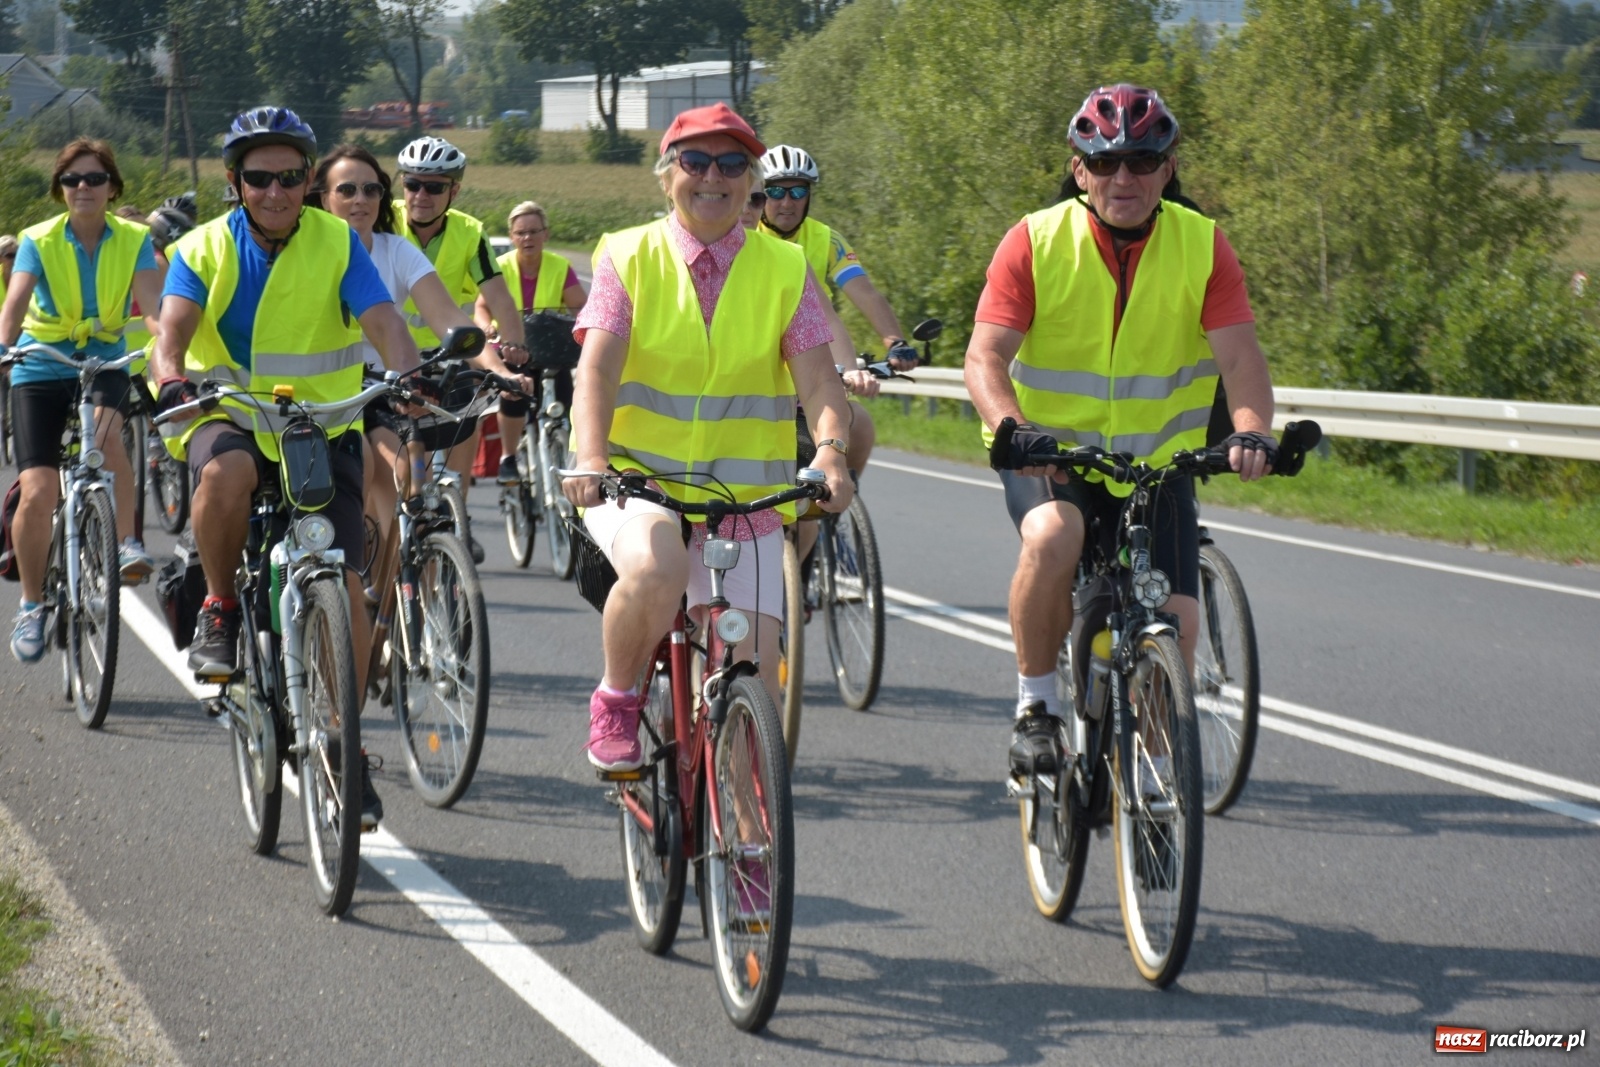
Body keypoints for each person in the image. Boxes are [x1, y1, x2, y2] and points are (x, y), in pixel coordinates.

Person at [963, 84, 1277, 782]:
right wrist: (1011, 428)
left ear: (1168, 168)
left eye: (1141, 161)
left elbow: (1240, 359)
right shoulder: (1034, 242)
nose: (1123, 178)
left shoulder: (1204, 247)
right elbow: (984, 356)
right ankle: (1036, 708)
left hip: (1156, 467)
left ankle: (1156, 789)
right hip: (1050, 456)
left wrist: (1252, 430)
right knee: (1053, 537)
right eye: (1104, 164)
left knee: (1177, 623)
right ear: (1079, 170)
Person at [561, 102, 855, 774]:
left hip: (745, 498)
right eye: (695, 161)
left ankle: (747, 856)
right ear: (668, 176)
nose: (712, 176)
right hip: (636, 481)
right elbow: (597, 368)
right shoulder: (625, 255)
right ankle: (618, 696)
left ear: (750, 180)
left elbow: (818, 384)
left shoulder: (785, 269)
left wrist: (832, 449)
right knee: (660, 566)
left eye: (731, 164)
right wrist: (592, 456)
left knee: (752, 684)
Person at [150, 107, 422, 830]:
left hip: (320, 423)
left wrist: (410, 380)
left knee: (351, 586)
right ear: (235, 182)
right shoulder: (204, 247)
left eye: (292, 177)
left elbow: (386, 324)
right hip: (229, 414)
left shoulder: (337, 240)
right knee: (225, 477)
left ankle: (344, 736)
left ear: (308, 181)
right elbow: (171, 332)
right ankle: (220, 606)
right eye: (260, 177)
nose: (276, 191)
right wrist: (173, 377)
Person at [306, 144, 533, 582]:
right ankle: (367, 570)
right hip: (321, 395)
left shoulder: (400, 249)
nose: (361, 199)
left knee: (412, 478)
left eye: (371, 190)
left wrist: (497, 363)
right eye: (347, 189)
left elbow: (453, 319)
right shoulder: (306, 252)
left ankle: (415, 595)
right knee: (365, 480)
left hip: (392, 384)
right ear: (323, 198)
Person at [0, 138, 162, 662]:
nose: (83, 188)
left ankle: (127, 542)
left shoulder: (135, 239)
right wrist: (4, 349)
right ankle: (31, 603)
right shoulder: (37, 240)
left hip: (105, 363)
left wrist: (168, 353)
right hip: (41, 364)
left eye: (94, 179)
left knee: (110, 435)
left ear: (113, 187)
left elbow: (155, 310)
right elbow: (15, 303)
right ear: (60, 189)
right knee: (38, 489)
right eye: (72, 180)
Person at [393, 136, 527, 563]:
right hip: (393, 356)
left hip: (449, 352)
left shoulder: (470, 232)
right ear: (402, 184)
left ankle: (458, 521)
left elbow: (499, 297)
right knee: (416, 462)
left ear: (454, 190)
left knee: (465, 427)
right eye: (414, 184)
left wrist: (515, 349)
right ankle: (414, 518)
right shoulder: (383, 222)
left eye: (435, 187)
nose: (422, 196)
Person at [756, 144, 921, 474]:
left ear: (809, 196)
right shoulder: (747, 234)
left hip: (815, 355)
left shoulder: (826, 238)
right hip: (764, 364)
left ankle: (838, 506)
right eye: (775, 191)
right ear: (759, 194)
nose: (786, 202)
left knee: (859, 426)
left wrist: (895, 341)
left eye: (798, 191)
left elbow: (865, 294)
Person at [475, 200, 586, 486]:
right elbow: (482, 307)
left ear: (546, 234)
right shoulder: (499, 267)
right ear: (512, 237)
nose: (527, 238)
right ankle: (508, 457)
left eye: (534, 231)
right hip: (512, 349)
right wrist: (486, 325)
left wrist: (583, 329)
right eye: (521, 233)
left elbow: (579, 306)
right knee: (512, 395)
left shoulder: (560, 267)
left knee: (568, 402)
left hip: (550, 349)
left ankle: (571, 454)